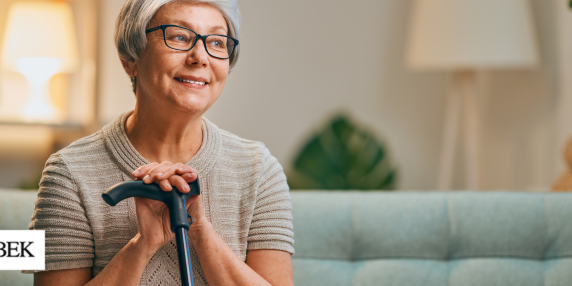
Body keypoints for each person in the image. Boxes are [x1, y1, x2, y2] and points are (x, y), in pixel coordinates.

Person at [24, 0, 294, 285]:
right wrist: (143, 244)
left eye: (216, 42)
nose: (200, 57)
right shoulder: (68, 171)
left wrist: (200, 231)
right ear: (130, 60)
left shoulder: (259, 169)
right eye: (179, 36)